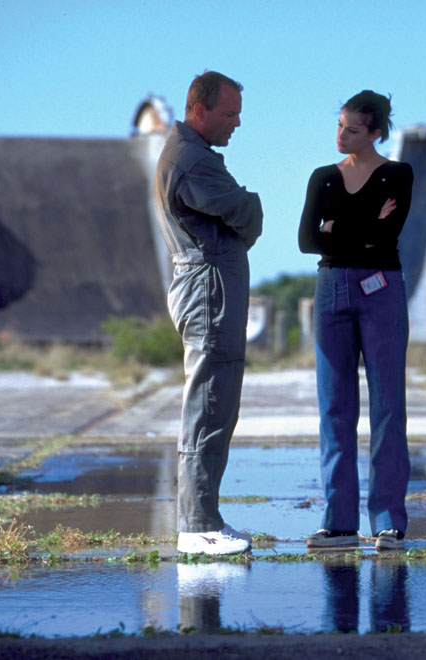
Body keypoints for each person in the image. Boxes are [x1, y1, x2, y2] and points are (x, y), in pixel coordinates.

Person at [298, 90, 414, 552]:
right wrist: (363, 225)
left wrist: (337, 228)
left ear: (376, 132)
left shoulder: (398, 174)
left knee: (387, 405)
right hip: (330, 289)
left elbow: (388, 233)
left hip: (382, 287)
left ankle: (388, 522)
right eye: (340, 124)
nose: (341, 134)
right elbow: (308, 239)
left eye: (351, 128)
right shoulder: (323, 178)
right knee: (334, 408)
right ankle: (339, 524)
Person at [153, 71, 263, 555]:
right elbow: (247, 214)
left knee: (215, 399)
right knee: (209, 402)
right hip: (209, 287)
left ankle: (204, 518)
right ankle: (196, 526)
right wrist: (252, 203)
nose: (237, 122)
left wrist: (243, 210)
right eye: (229, 113)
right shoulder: (194, 162)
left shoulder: (191, 154)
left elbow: (238, 216)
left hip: (207, 283)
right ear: (199, 109)